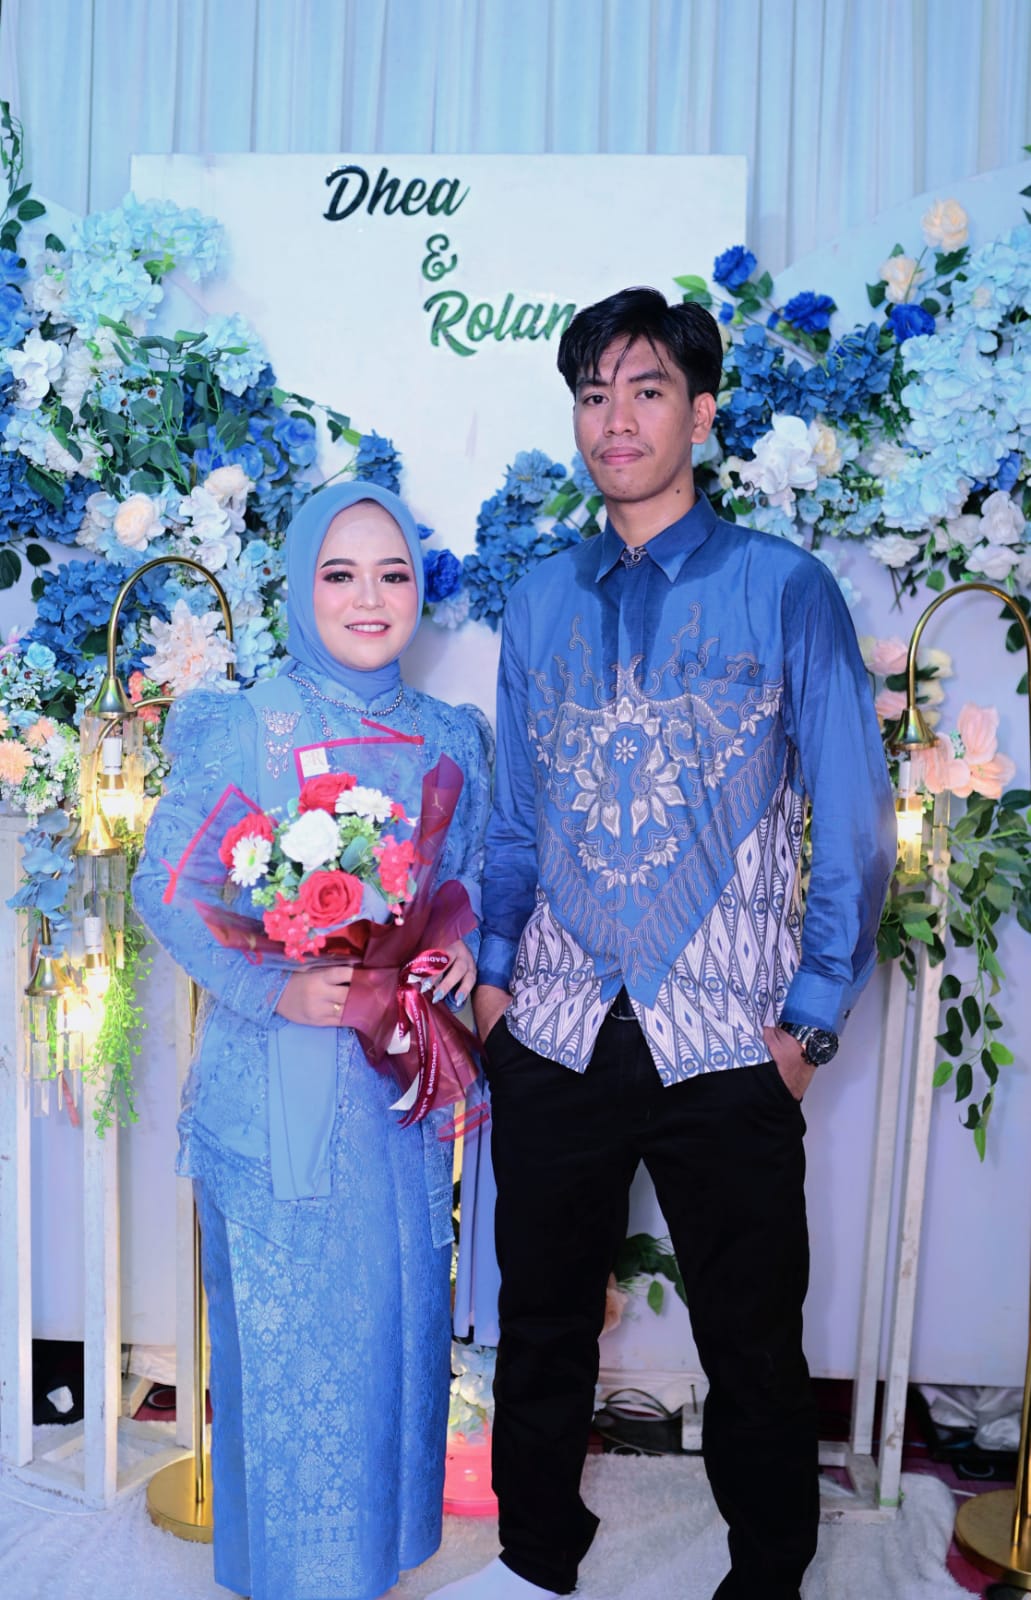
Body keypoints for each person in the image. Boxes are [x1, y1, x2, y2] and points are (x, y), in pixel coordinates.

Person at [431, 288, 896, 1600]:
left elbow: (855, 822)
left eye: (644, 391)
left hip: (728, 1039)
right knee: (538, 1325)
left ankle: (765, 1575)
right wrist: (496, 984)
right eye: (593, 394)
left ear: (699, 414)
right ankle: (534, 1559)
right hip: (554, 1026)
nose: (614, 420)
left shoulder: (782, 588)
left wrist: (808, 1020)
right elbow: (515, 815)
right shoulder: (543, 599)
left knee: (749, 1340)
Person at [134, 480, 492, 1600]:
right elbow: (168, 886)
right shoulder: (248, 724)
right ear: (300, 586)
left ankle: (369, 1569)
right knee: (291, 1345)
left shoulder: (449, 736)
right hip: (276, 1086)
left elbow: (473, 875)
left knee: (391, 1328)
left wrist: (460, 948)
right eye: (339, 574)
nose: (368, 597)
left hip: (396, 1096)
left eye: (392, 573)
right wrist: (270, 986)